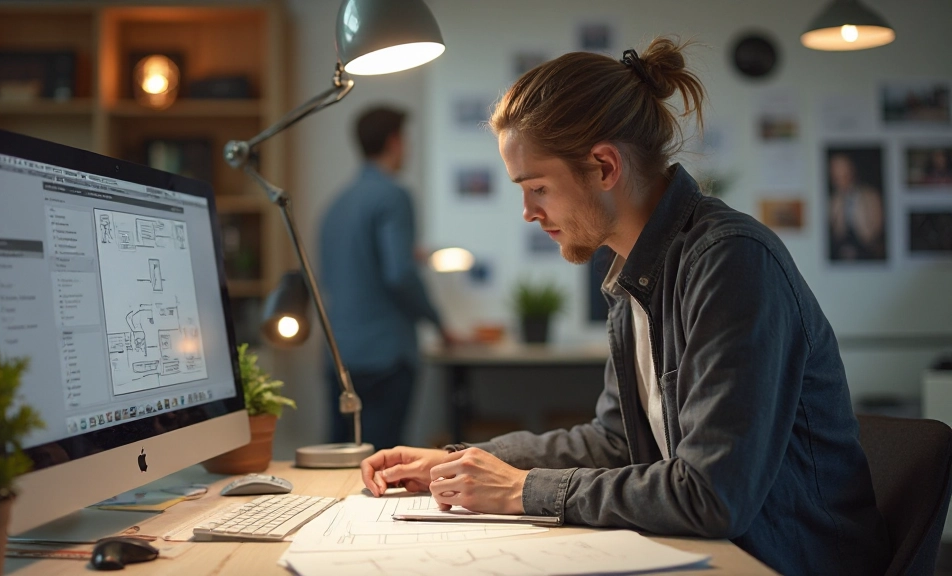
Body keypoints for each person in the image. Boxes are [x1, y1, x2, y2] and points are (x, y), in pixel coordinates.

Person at [359, 39, 890, 575]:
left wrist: (522, 489)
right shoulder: (635, 273)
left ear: (604, 166)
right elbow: (614, 441)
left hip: (784, 562)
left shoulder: (729, 262)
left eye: (538, 187)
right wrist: (460, 463)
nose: (528, 212)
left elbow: (711, 496)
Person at [318, 106, 453, 450]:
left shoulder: (335, 204)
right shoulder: (393, 195)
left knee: (339, 461)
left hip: (340, 355)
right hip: (385, 356)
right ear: (394, 141)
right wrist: (438, 322)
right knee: (383, 461)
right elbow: (399, 274)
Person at [828, 153, 886, 261]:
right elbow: (835, 233)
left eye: (844, 174)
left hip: (868, 254)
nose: (841, 180)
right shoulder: (833, 200)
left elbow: (873, 236)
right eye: (836, 176)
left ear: (852, 172)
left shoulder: (871, 196)